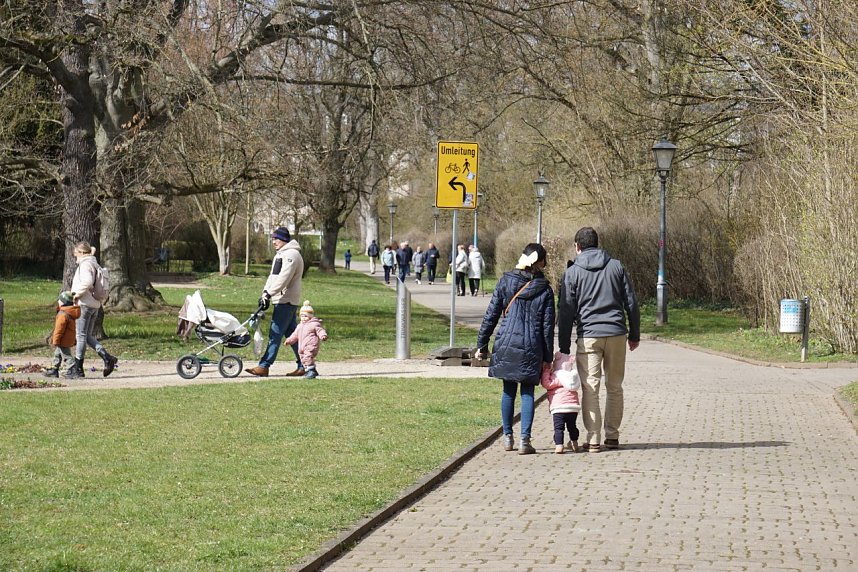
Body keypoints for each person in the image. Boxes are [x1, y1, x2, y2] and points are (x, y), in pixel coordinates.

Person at [557, 226, 640, 452]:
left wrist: (563, 347)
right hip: (616, 333)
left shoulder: (572, 273)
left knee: (590, 388)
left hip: (589, 336)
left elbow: (565, 311)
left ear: (577, 246)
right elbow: (631, 302)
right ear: (597, 243)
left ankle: (593, 438)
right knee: (615, 386)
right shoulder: (616, 266)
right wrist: (634, 334)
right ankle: (612, 436)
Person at [475, 243, 555, 455]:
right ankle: (525, 441)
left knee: (508, 391)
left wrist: (481, 344)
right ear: (539, 262)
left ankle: (508, 437)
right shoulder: (545, 289)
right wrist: (548, 357)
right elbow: (547, 327)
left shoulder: (505, 281)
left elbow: (491, 315)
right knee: (527, 391)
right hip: (532, 346)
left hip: (507, 343)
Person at [245, 227, 305, 377]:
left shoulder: (292, 255)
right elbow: (273, 277)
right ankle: (305, 364)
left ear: (284, 239)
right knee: (292, 335)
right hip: (281, 299)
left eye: (275, 239)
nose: (273, 242)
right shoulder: (281, 255)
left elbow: (284, 278)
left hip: (287, 300)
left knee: (275, 334)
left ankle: (264, 366)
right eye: (272, 239)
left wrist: (270, 293)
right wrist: (265, 294)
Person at [65, 242, 118, 379]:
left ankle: (78, 368)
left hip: (84, 304)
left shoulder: (86, 264)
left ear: (82, 253)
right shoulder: (93, 262)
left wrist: (75, 294)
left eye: (76, 253)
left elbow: (88, 282)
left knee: (81, 335)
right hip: (94, 304)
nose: (74, 255)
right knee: (88, 337)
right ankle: (107, 357)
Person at [540, 352, 581, 454]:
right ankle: (574, 442)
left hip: (558, 407)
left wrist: (546, 371)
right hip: (572, 407)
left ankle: (559, 446)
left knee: (559, 428)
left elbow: (547, 384)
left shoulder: (556, 376)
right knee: (572, 426)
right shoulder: (573, 376)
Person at [282, 300, 328, 379]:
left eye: (306, 316)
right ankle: (309, 370)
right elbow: (295, 335)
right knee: (303, 358)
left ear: (310, 316)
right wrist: (289, 340)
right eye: (302, 316)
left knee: (308, 357)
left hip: (311, 345)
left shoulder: (314, 324)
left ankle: (312, 371)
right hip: (302, 346)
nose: (304, 318)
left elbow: (320, 330)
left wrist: (323, 335)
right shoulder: (299, 326)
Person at [45, 290, 80, 377]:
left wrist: (55, 340)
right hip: (68, 338)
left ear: (64, 302)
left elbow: (59, 329)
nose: (58, 302)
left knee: (66, 355)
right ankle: (54, 369)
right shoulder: (70, 312)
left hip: (63, 339)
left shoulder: (63, 314)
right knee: (57, 354)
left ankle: (73, 369)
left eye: (60, 300)